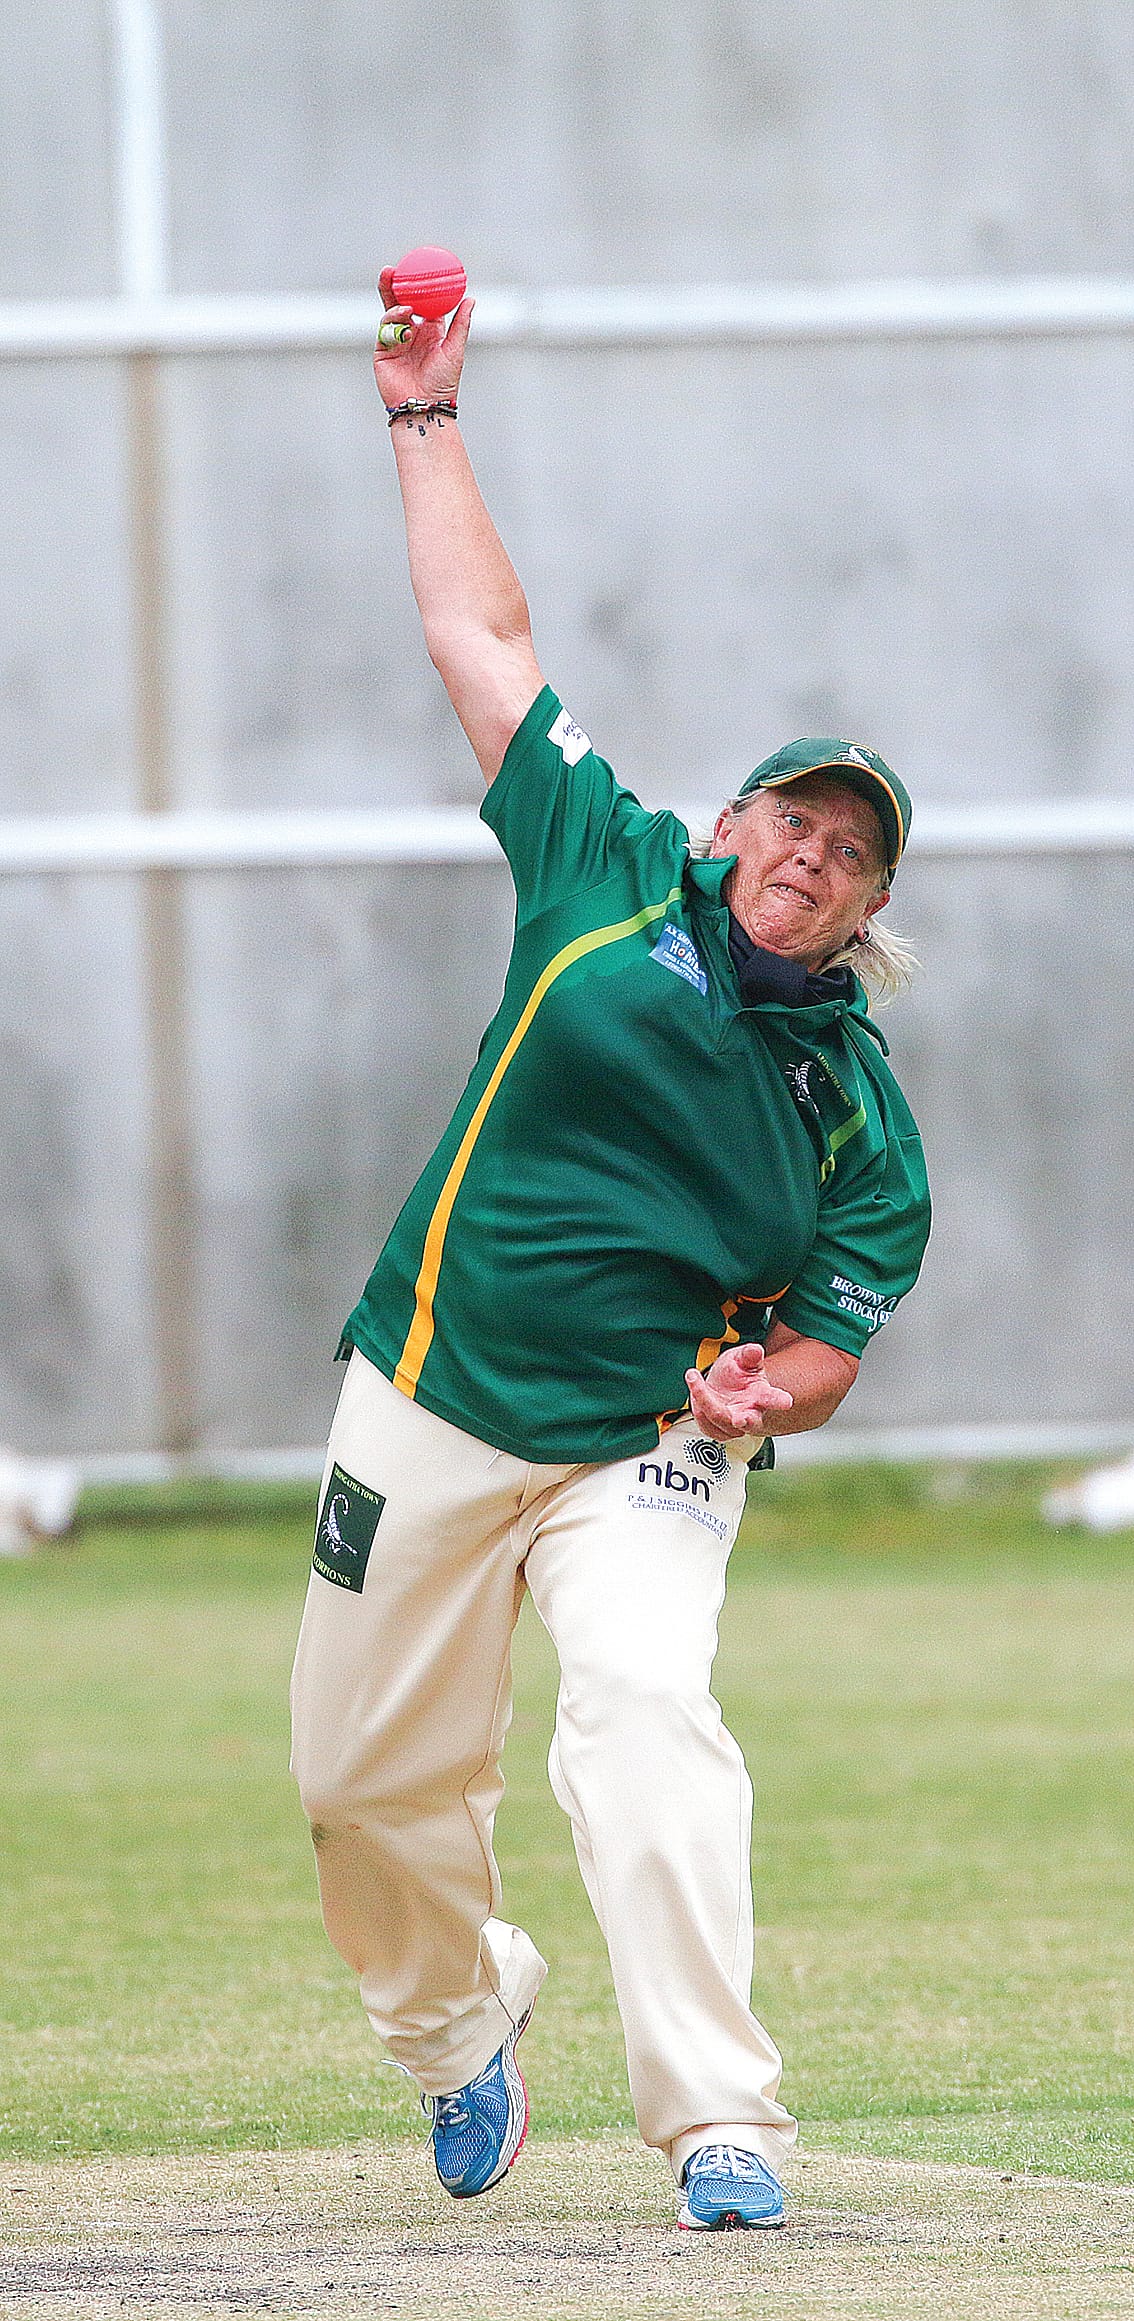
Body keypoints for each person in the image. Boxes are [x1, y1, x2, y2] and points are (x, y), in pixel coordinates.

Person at [290, 273, 931, 2234]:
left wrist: (769, 1388)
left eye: (854, 849)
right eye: (793, 819)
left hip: (647, 1441)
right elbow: (481, 633)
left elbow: (834, 1331)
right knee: (358, 1780)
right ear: (727, 821)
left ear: (869, 908)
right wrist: (425, 414)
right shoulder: (599, 860)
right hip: (432, 1379)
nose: (813, 852)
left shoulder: (858, 1108)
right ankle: (464, 2025)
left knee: (645, 1718)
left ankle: (721, 2121)